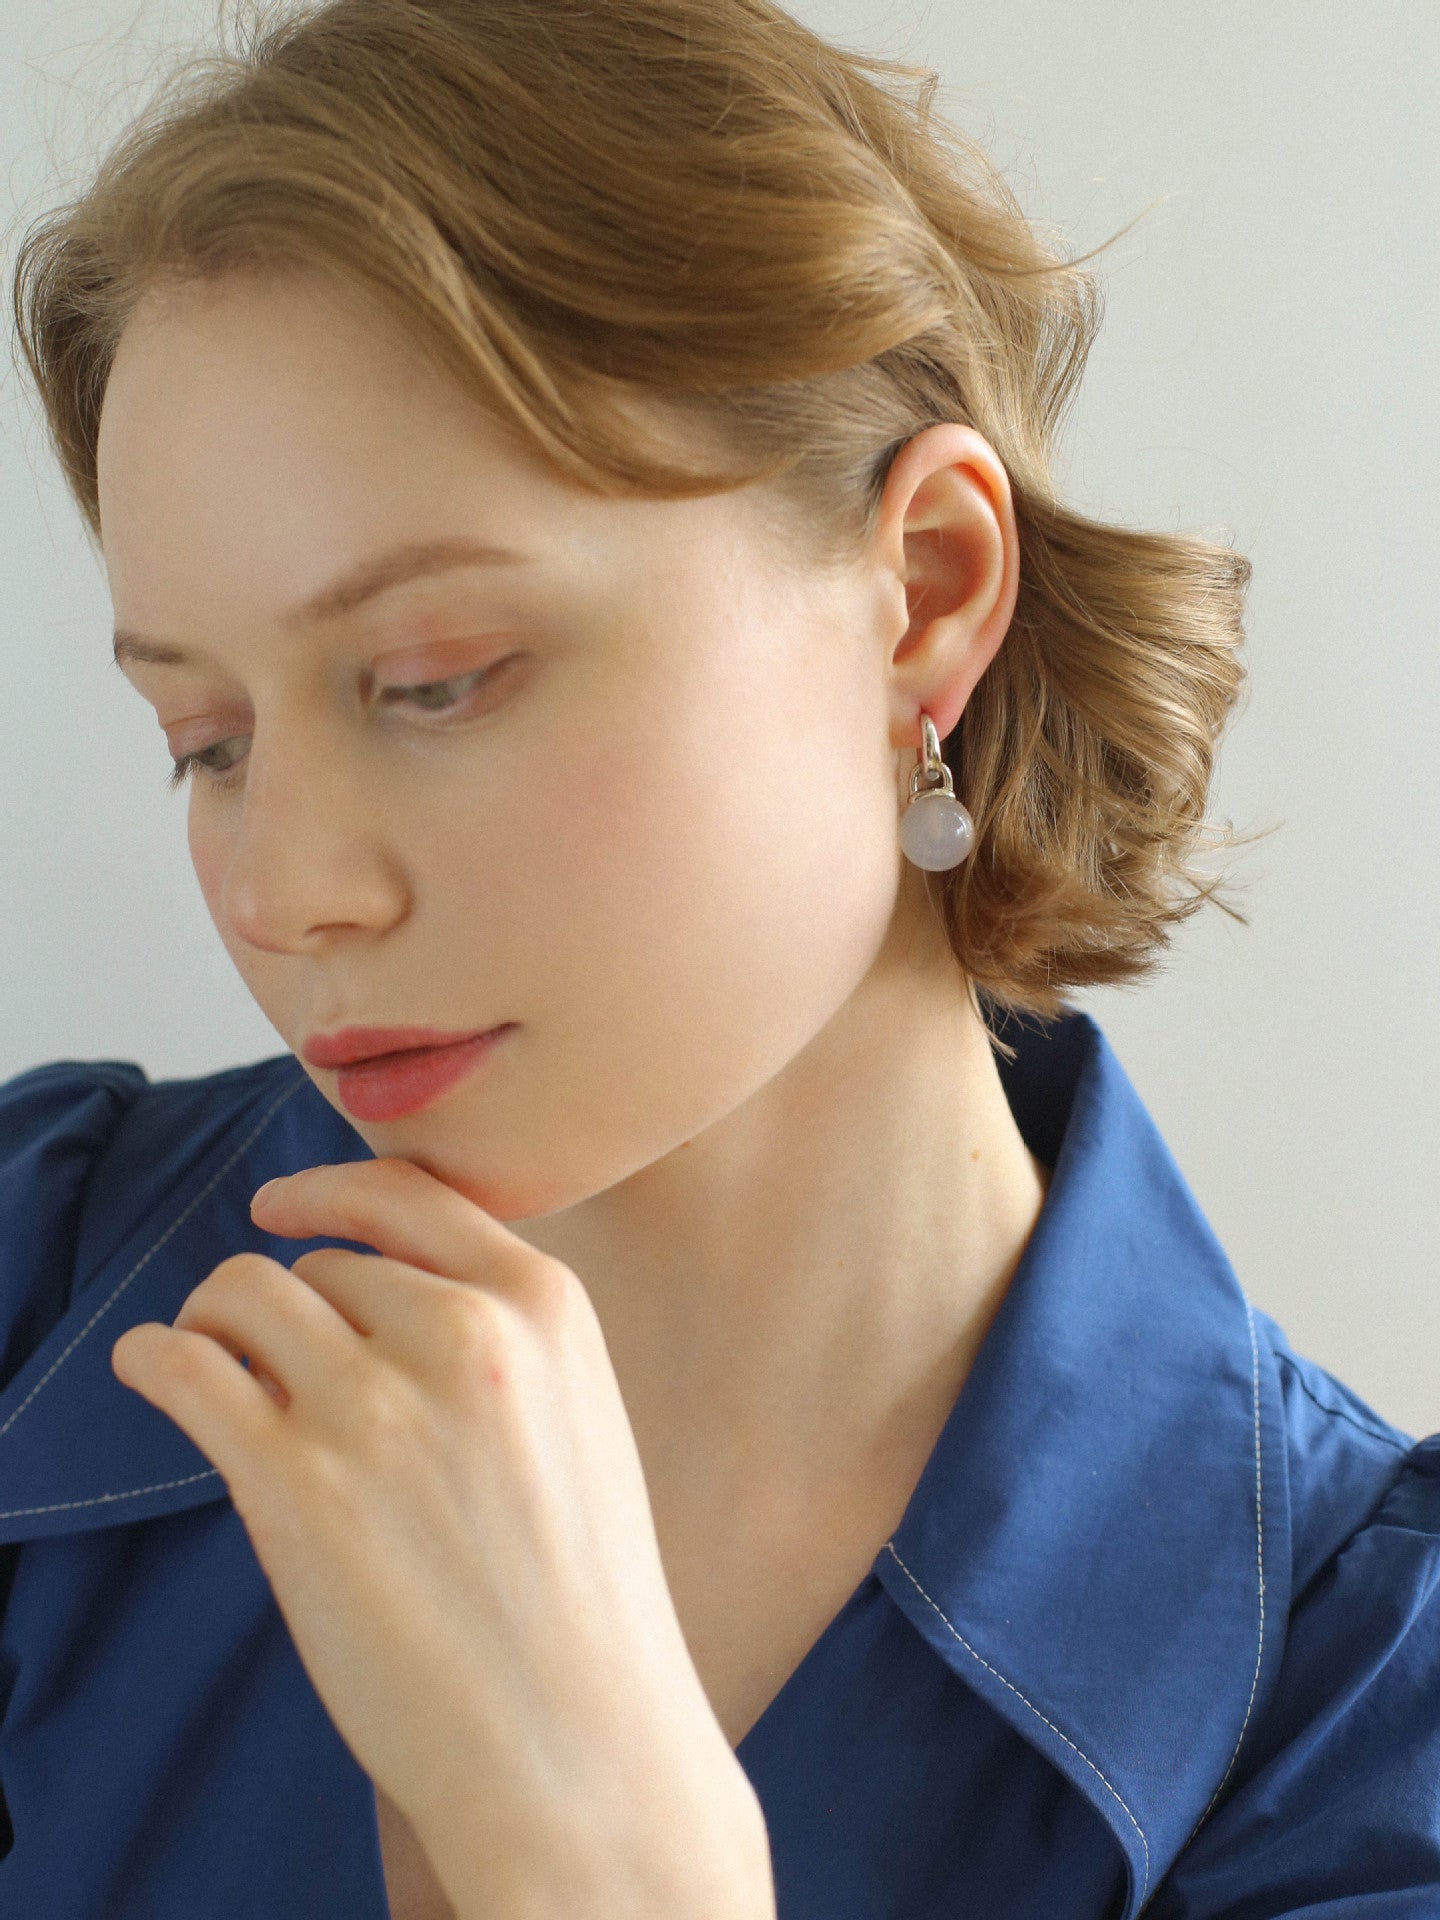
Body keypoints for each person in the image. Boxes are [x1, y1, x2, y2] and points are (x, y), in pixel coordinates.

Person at [2, 1, 1437, 1915]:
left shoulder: (1366, 1709)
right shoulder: (31, 1295)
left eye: (439, 681)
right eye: (210, 743)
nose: (285, 892)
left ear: (923, 589)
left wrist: (600, 1857)